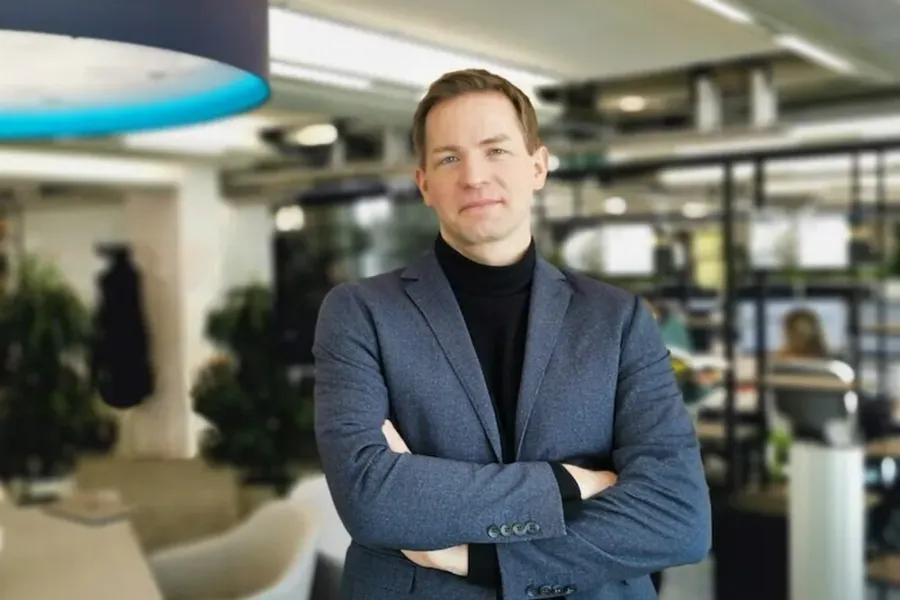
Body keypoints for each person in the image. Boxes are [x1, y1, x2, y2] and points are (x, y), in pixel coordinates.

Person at [313, 68, 711, 600]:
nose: (474, 176)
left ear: (538, 166)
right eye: (449, 158)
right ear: (424, 184)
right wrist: (569, 483)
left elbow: (679, 518)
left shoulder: (618, 319)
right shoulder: (360, 313)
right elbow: (369, 497)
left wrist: (480, 559)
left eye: (496, 150)